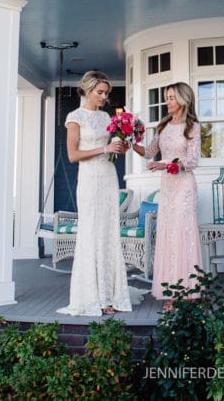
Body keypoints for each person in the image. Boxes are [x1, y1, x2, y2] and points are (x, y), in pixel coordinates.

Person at [57, 71, 132, 317]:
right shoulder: (75, 117)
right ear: (87, 90)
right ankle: (91, 296)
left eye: (106, 93)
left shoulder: (106, 117)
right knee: (91, 232)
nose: (103, 97)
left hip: (108, 175)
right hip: (89, 180)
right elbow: (73, 155)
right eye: (100, 92)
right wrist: (104, 147)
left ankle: (110, 295)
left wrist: (119, 146)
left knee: (108, 232)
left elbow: (110, 148)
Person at [133, 82, 202, 307]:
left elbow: (192, 161)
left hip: (184, 186)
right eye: (166, 97)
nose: (167, 102)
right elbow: (148, 153)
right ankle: (172, 293)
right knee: (169, 235)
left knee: (184, 235)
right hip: (168, 188)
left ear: (183, 99)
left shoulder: (192, 126)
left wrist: (166, 165)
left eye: (171, 97)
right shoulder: (163, 126)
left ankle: (189, 292)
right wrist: (129, 140)